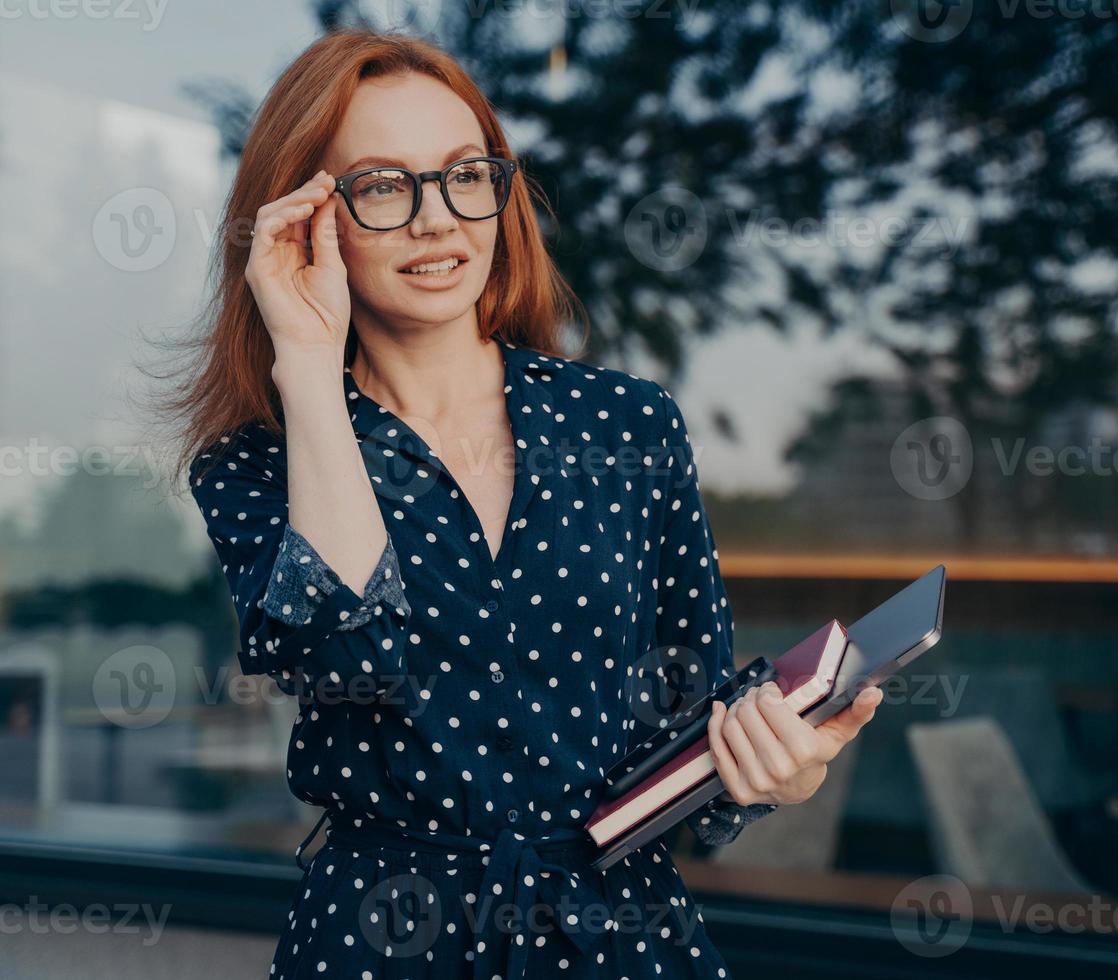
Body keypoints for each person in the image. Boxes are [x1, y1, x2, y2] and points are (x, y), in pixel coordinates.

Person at [176, 28, 883, 980]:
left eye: (466, 173)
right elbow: (347, 650)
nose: (439, 220)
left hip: (619, 935)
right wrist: (304, 365)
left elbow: (689, 717)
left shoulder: (628, 425)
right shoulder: (258, 462)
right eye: (384, 187)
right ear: (308, 218)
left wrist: (774, 770)